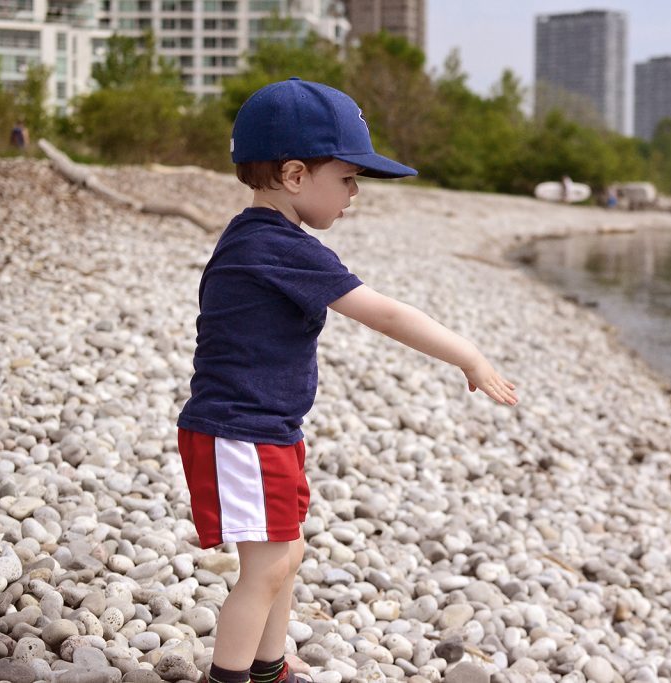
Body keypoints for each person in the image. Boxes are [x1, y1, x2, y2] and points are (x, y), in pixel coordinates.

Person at [176, 78, 518, 683]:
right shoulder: (283, 249)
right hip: (242, 432)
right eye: (348, 179)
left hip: (265, 428)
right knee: (266, 569)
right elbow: (383, 312)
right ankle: (229, 677)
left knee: (287, 555)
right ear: (294, 175)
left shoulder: (255, 235)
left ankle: (268, 666)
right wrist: (467, 354)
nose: (354, 195)